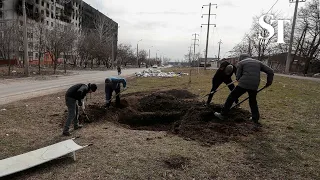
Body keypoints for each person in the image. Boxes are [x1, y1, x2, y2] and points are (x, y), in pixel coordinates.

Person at [214, 54, 274, 126]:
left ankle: (222, 114)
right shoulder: (258, 62)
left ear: (241, 58)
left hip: (243, 84)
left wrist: (240, 79)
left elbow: (238, 77)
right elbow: (270, 71)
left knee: (231, 97)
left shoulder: (241, 63)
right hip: (254, 85)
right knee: (253, 101)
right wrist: (269, 82)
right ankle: (255, 118)